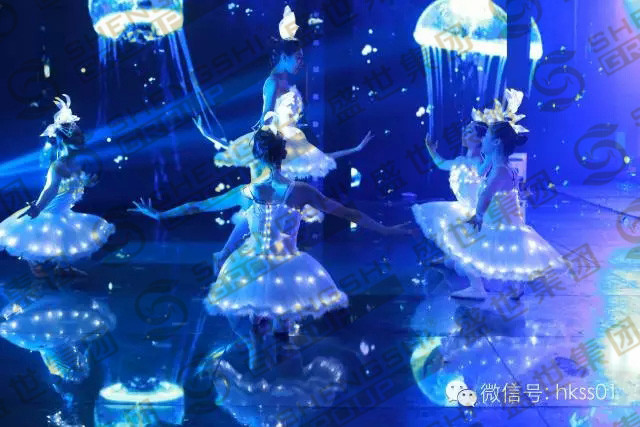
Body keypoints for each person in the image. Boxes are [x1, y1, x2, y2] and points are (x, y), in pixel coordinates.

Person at [130, 128, 412, 370]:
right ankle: (278, 367)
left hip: (251, 264)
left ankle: (260, 361)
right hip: (286, 264)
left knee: (258, 318)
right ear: (283, 154)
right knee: (282, 324)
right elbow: (347, 213)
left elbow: (200, 205)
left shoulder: (247, 192)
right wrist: (385, 229)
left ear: (257, 156)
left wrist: (161, 215)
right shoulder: (300, 191)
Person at [193, 6, 373, 274]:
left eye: (302, 57)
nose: (301, 62)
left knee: (277, 205)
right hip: (274, 141)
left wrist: (351, 148)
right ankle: (229, 254)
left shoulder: (286, 81)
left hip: (284, 140)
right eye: (298, 57)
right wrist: (258, 140)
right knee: (258, 206)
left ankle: (263, 257)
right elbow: (265, 116)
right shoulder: (273, 82)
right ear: (285, 57)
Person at [437, 119, 564, 300]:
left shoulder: (499, 171)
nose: (483, 140)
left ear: (496, 142)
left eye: (487, 137)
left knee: (464, 241)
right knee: (509, 255)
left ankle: (476, 288)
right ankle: (517, 286)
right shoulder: (505, 168)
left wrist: (478, 216)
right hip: (508, 223)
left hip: (496, 223)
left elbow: (485, 195)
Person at [0, 95, 115, 277]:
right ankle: (36, 265)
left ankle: (62, 268)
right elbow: (51, 189)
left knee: (64, 239)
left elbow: (72, 185)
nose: (82, 137)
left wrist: (86, 182)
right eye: (77, 135)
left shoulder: (75, 162)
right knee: (49, 238)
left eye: (80, 133)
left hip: (63, 211)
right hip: (52, 211)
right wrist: (38, 208)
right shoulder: (58, 165)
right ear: (65, 139)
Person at [411, 121, 487, 248]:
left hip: (477, 213)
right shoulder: (461, 160)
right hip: (462, 209)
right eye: (465, 130)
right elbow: (442, 164)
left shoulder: (481, 163)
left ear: (481, 138)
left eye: (469, 131)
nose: (464, 133)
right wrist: (431, 150)